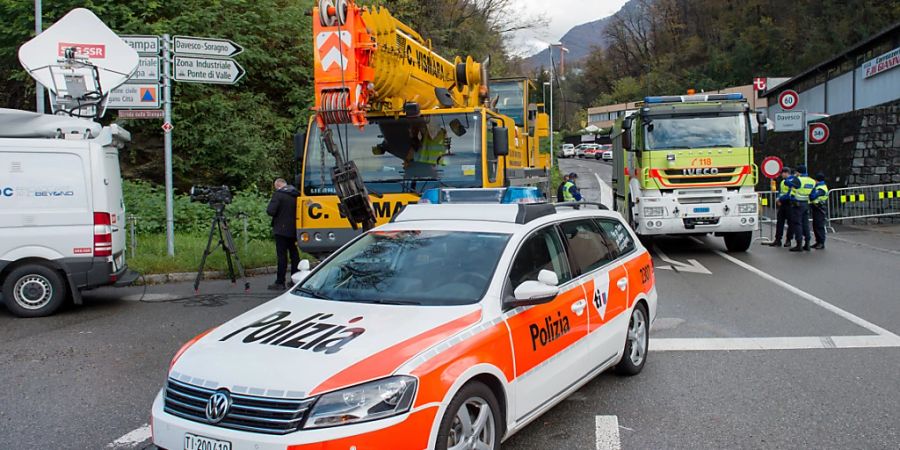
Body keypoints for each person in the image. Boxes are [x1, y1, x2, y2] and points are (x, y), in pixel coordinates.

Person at [266, 178, 300, 290]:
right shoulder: (297, 194)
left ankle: (280, 282)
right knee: (294, 254)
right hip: (295, 229)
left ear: (278, 186)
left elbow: (270, 211)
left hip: (281, 229)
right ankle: (295, 279)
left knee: (282, 256)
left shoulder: (278, 195)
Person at [787, 165, 816, 252]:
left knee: (797, 224)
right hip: (806, 203)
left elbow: (787, 183)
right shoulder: (812, 181)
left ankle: (799, 244)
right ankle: (807, 244)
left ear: (798, 172)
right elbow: (813, 194)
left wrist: (793, 177)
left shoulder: (798, 179)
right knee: (805, 224)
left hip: (797, 204)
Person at [767, 167, 795, 247]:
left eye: (782, 173)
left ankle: (788, 240)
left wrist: (779, 199)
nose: (781, 175)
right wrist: (778, 198)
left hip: (789, 203)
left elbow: (790, 193)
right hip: (783, 204)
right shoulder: (783, 182)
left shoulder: (792, 181)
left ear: (786, 173)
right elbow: (781, 192)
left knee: (790, 223)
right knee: (780, 222)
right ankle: (778, 240)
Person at [809, 173, 829, 249]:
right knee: (815, 225)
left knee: (819, 225)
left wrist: (811, 191)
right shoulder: (820, 186)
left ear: (817, 180)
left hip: (820, 208)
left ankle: (821, 242)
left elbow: (813, 196)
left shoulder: (821, 188)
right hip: (816, 207)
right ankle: (818, 241)